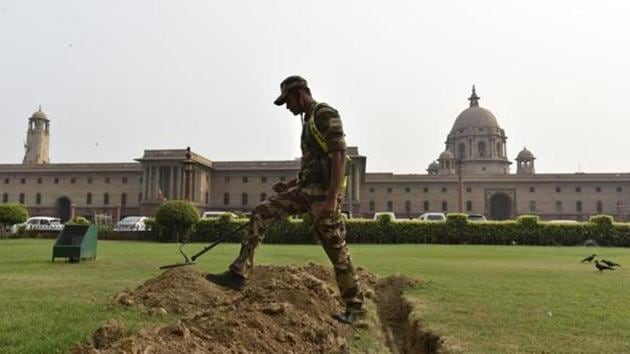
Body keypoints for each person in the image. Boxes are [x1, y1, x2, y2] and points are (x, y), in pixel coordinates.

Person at [207, 75, 364, 324]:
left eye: (288, 101)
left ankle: (355, 307)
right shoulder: (308, 120)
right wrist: (290, 184)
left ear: (300, 93)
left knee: (336, 250)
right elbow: (314, 165)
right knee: (262, 211)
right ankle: (239, 273)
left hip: (323, 196)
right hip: (306, 191)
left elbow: (339, 155)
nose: (288, 107)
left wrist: (333, 199)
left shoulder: (324, 113)